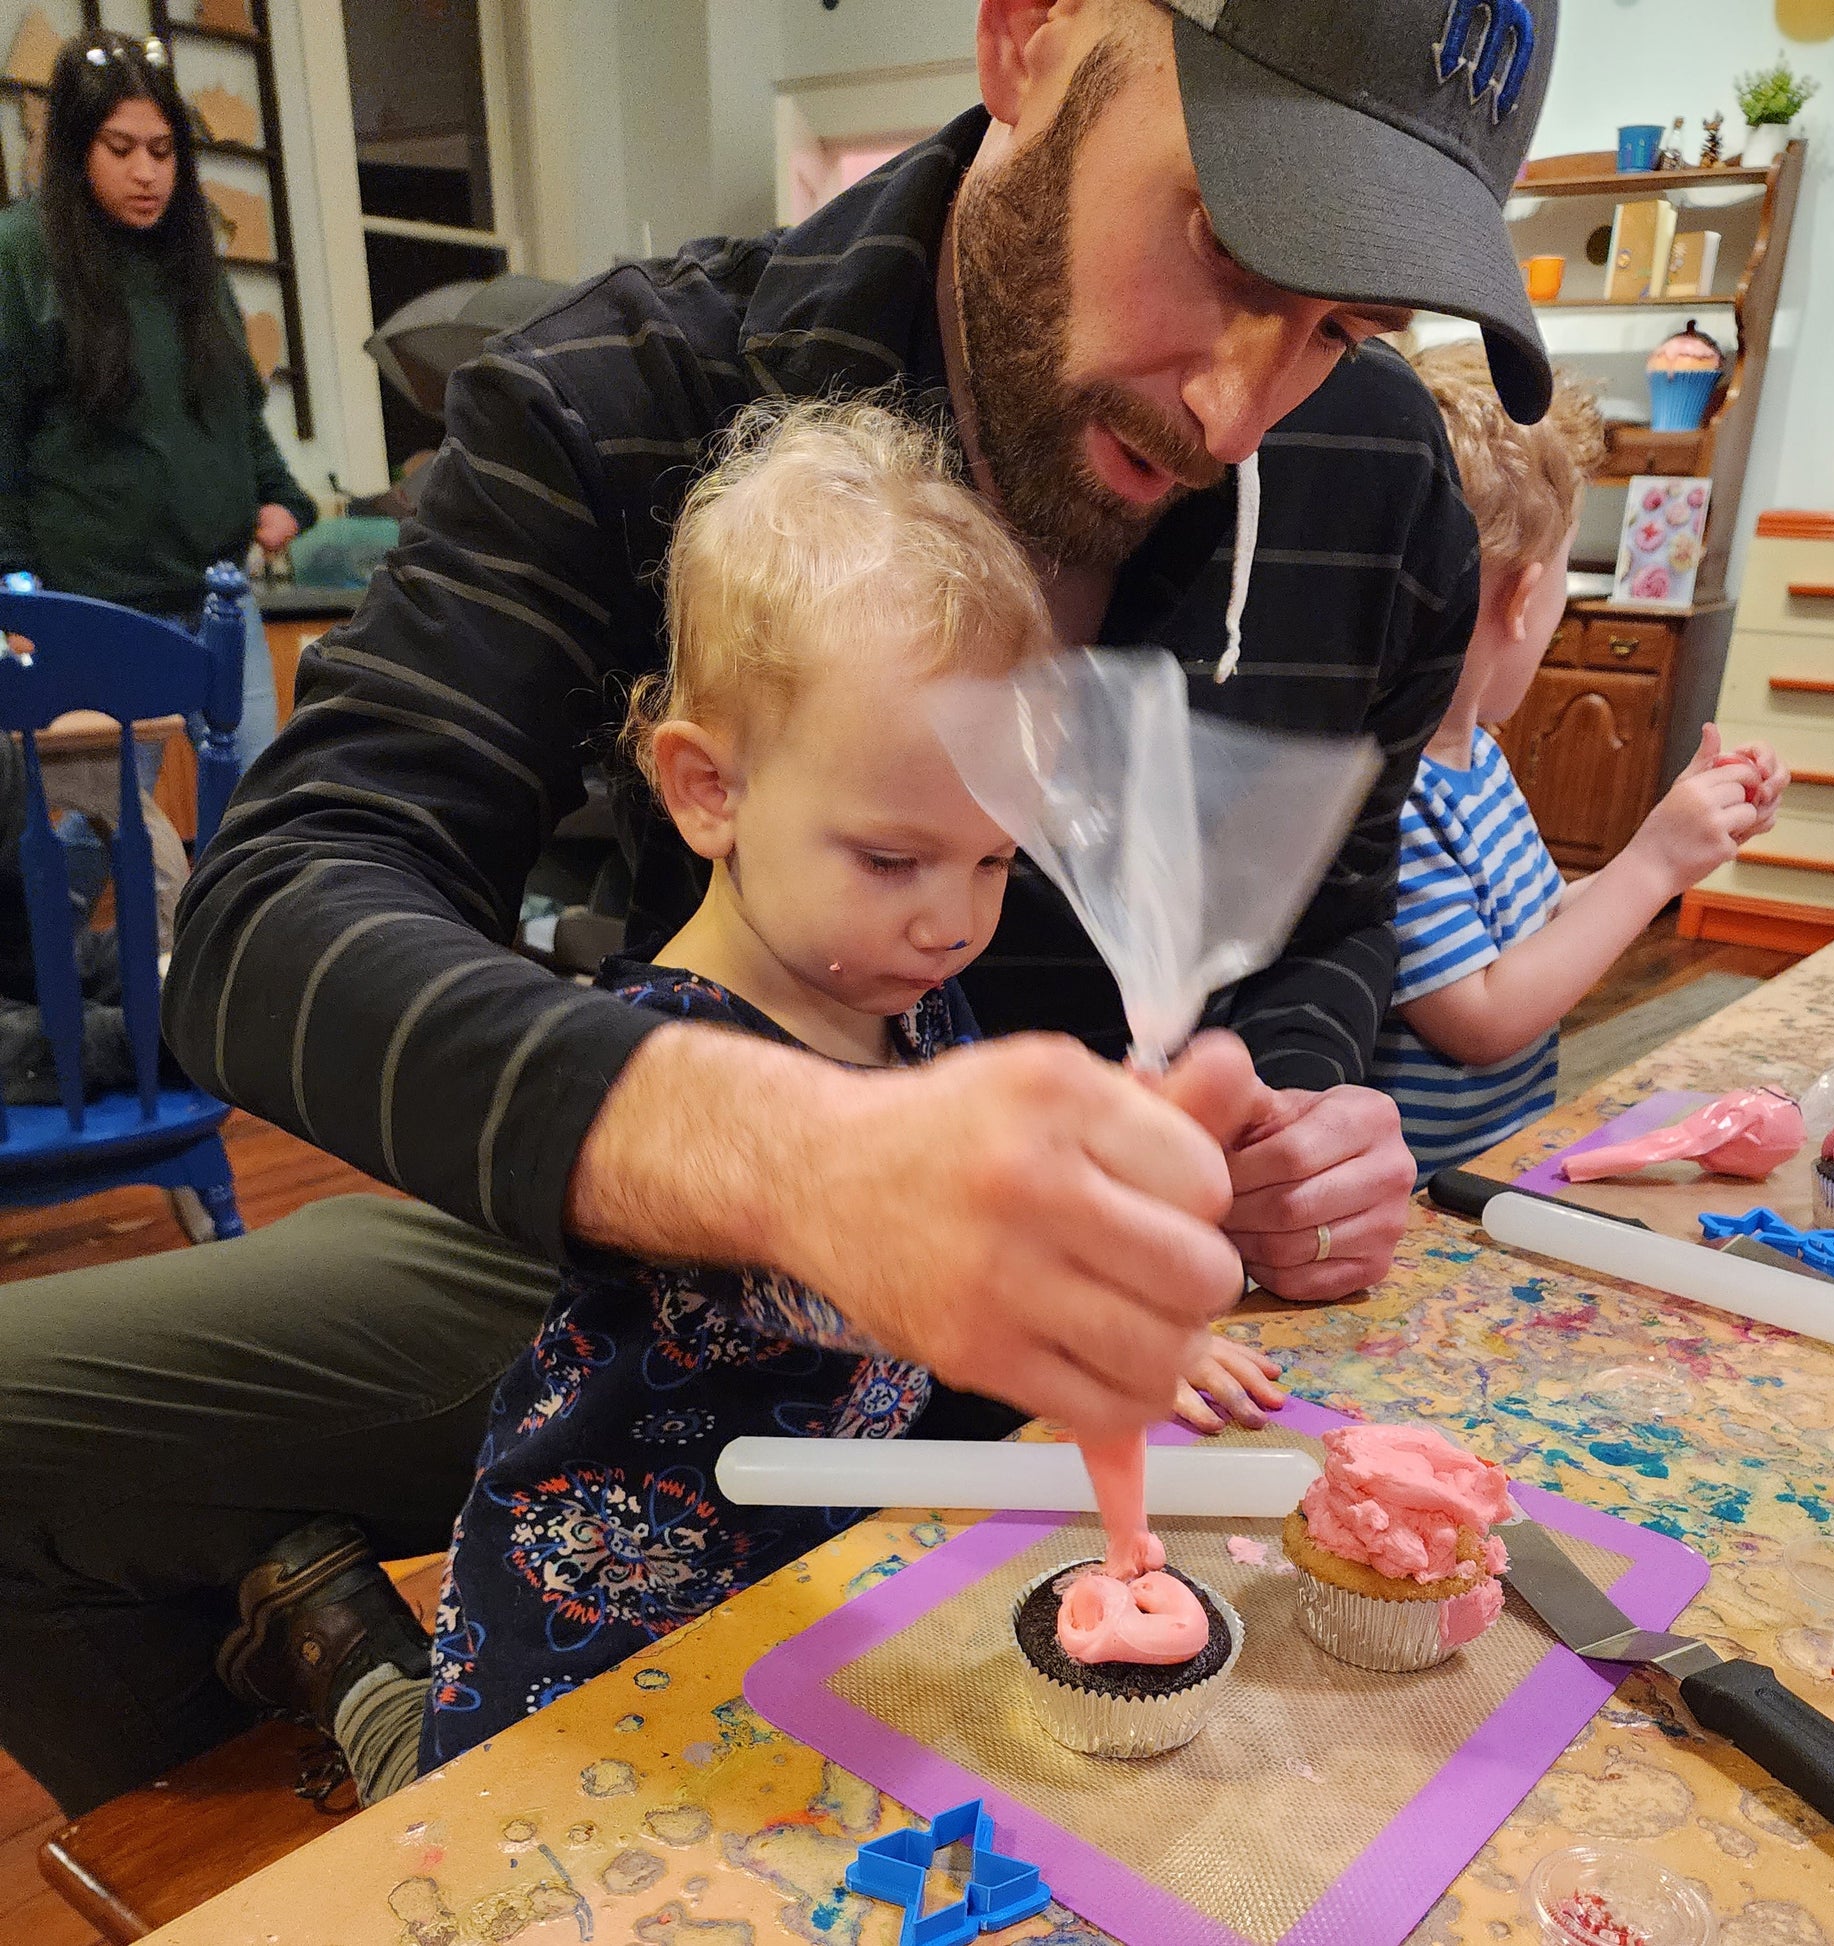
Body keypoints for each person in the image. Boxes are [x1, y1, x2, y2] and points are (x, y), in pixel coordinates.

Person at [0, 0, 1562, 1817]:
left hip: (1141, 1346)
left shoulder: (1381, 499)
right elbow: (273, 908)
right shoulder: (626, 395)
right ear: (1028, 38)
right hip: (690, 1258)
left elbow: (1335, 930)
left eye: (1343, 327)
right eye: (1222, 241)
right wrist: (804, 1161)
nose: (1235, 404)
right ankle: (361, 1811)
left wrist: (1291, 1117)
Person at [397, 397, 1285, 1786]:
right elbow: (867, 1278)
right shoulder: (659, 1054)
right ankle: (364, 1699)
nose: (952, 921)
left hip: (812, 1603)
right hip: (593, 1660)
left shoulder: (907, 999)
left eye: (993, 863)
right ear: (707, 789)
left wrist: (1128, 1306)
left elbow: (981, 1246)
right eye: (892, 860)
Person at [1371, 343, 1787, 1183]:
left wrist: (1677, 846)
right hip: (1414, 1198)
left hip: (1488, 1162)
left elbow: (1531, 926)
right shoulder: (1395, 792)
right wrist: (1650, 865)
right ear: (1525, 600)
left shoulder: (1476, 758)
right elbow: (1480, 1018)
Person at [0, 29, 315, 794]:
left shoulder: (190, 256)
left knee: (258, 821)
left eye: (164, 150)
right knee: (92, 837)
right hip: (96, 612)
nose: (147, 172)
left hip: (217, 600)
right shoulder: (21, 252)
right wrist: (14, 586)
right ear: (77, 148)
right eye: (120, 148)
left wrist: (281, 494)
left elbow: (234, 404)